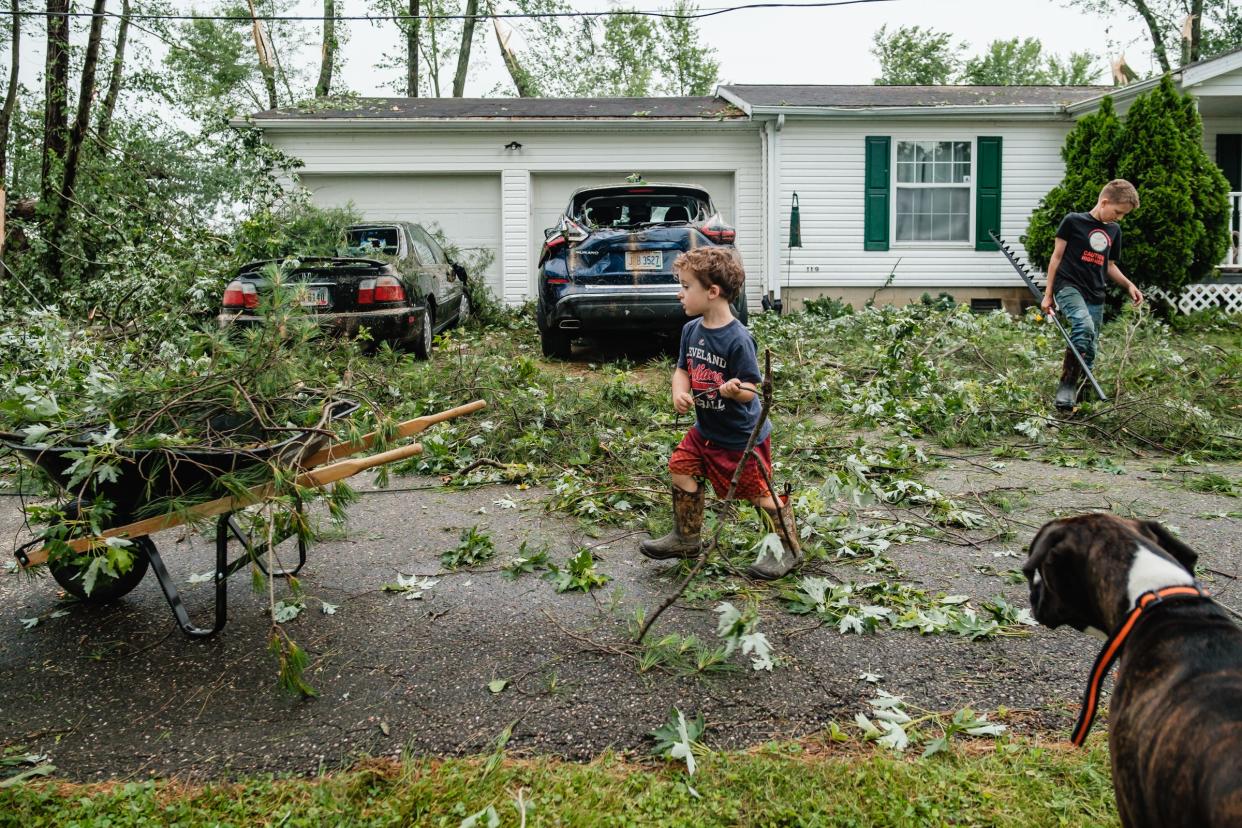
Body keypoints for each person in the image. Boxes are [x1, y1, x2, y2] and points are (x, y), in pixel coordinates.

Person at [639, 247, 801, 580]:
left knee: (760, 495)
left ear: (712, 292)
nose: (679, 293)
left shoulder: (738, 339)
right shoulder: (691, 331)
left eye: (686, 286)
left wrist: (734, 389)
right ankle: (687, 538)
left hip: (740, 438)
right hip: (705, 432)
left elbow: (752, 391)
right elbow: (682, 369)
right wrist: (679, 392)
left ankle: (788, 549)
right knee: (680, 468)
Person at [1040, 179, 1144, 410]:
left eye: (1123, 215)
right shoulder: (1073, 221)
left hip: (1095, 293)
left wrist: (1129, 285)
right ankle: (1066, 386)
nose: (1119, 218)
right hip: (1068, 287)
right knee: (1083, 327)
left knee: (1091, 346)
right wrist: (1048, 295)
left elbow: (1109, 265)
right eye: (1117, 212)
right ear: (1104, 201)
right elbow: (1056, 258)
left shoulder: (1114, 230)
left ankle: (1082, 394)